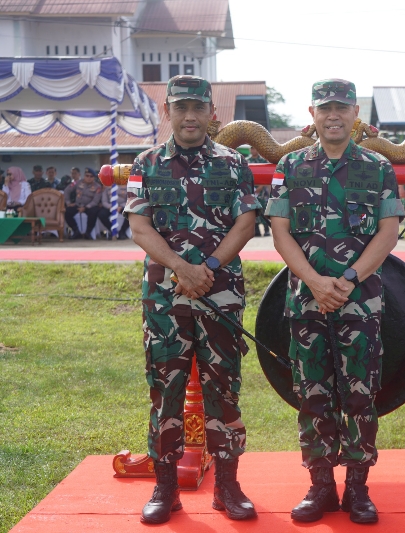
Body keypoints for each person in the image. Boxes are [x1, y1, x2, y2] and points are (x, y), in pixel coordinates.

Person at [124, 76, 261, 525]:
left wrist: (210, 268)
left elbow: (245, 224)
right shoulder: (146, 163)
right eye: (180, 107)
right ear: (167, 111)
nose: (189, 116)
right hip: (166, 298)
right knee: (165, 389)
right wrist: (182, 268)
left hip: (220, 293)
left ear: (210, 113)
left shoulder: (234, 161)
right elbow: (140, 228)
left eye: (197, 108)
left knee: (224, 388)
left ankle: (228, 485)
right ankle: (165, 489)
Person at [266, 79, 404, 525]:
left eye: (342, 108)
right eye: (325, 108)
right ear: (312, 113)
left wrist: (346, 279)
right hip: (306, 303)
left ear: (355, 113)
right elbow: (280, 230)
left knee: (361, 395)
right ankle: (321, 485)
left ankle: (359, 489)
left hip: (359, 302)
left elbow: (388, 231)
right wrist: (314, 282)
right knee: (313, 394)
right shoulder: (290, 165)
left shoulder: (378, 167)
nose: (333, 116)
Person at [64, 168, 103, 239]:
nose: (88, 178)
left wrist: (85, 207)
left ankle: (88, 232)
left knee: (93, 212)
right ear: (84, 176)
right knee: (67, 211)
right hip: (78, 204)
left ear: (94, 177)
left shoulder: (98, 187)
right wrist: (68, 202)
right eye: (87, 176)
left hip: (90, 206)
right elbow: (67, 190)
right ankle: (76, 231)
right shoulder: (78, 182)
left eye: (91, 176)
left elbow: (95, 201)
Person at [249, 146, 271, 236]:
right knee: (253, 211)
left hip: (262, 192)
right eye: (252, 148)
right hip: (251, 190)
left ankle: (266, 230)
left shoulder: (263, 161)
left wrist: (261, 187)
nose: (254, 150)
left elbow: (266, 174)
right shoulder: (247, 161)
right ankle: (256, 230)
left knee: (264, 210)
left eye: (255, 148)